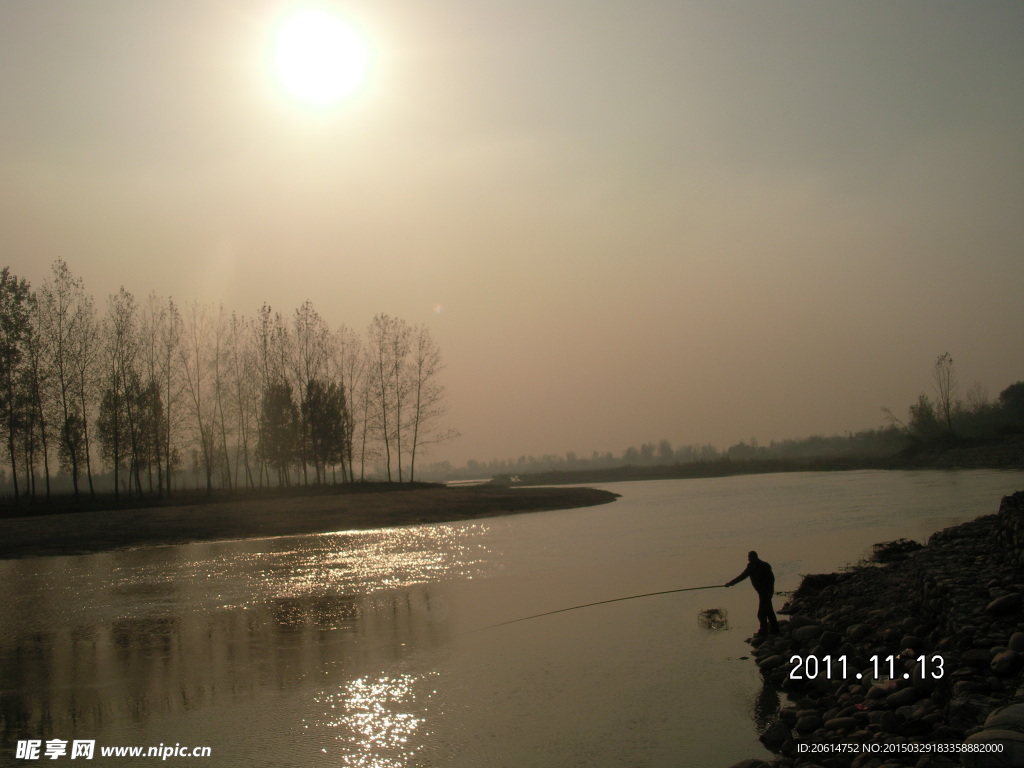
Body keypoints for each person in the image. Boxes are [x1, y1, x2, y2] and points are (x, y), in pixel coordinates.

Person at [725, 550, 779, 636]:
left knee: (761, 614)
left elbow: (771, 580)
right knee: (769, 611)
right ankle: (775, 629)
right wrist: (731, 583)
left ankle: (764, 631)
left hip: (766, 592)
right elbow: (742, 576)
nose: (748, 559)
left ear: (755, 557)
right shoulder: (750, 567)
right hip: (761, 592)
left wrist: (770, 592)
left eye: (750, 557)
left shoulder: (764, 566)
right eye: (748, 557)